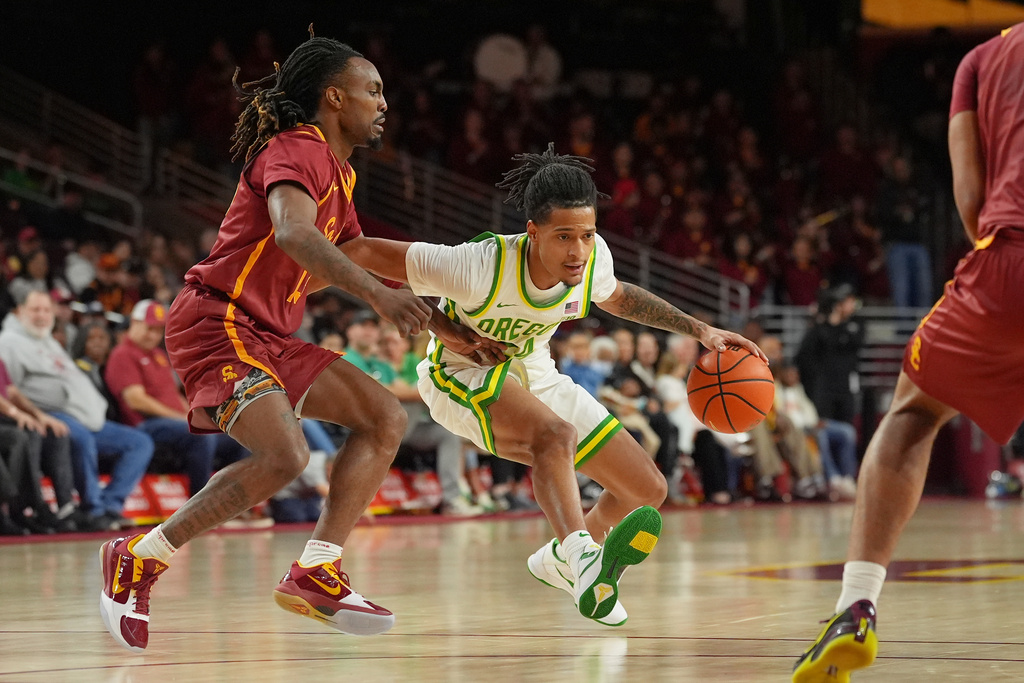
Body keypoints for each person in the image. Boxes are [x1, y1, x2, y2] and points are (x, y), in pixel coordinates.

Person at [97, 32, 500, 653]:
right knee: (285, 456)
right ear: (334, 97)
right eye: (374, 90)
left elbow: (356, 254)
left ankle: (318, 566)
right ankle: (139, 556)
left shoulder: (340, 174)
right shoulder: (298, 148)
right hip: (219, 320)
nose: (384, 102)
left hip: (269, 332)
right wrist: (377, 296)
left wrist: (448, 327)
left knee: (383, 416)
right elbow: (292, 233)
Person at [339, 144, 766, 625]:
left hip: (535, 374)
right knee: (555, 435)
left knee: (645, 489)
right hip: (460, 375)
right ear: (533, 232)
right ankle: (583, 556)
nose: (578, 251)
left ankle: (559, 560)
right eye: (565, 237)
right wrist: (286, 276)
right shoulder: (480, 265)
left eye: (587, 235)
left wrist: (699, 329)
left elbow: (619, 297)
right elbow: (363, 253)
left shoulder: (591, 259)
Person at [793, 25, 1024, 681]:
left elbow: (973, 204)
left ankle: (855, 605)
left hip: (1010, 263)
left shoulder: (983, 59)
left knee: (914, 415)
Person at [0, 290, 153, 531]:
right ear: (19, 312)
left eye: (46, 310)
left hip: (87, 418)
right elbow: (10, 390)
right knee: (80, 439)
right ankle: (93, 510)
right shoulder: (9, 342)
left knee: (140, 442)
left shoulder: (47, 340)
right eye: (35, 310)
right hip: (52, 414)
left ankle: (110, 506)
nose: (42, 315)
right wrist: (34, 415)